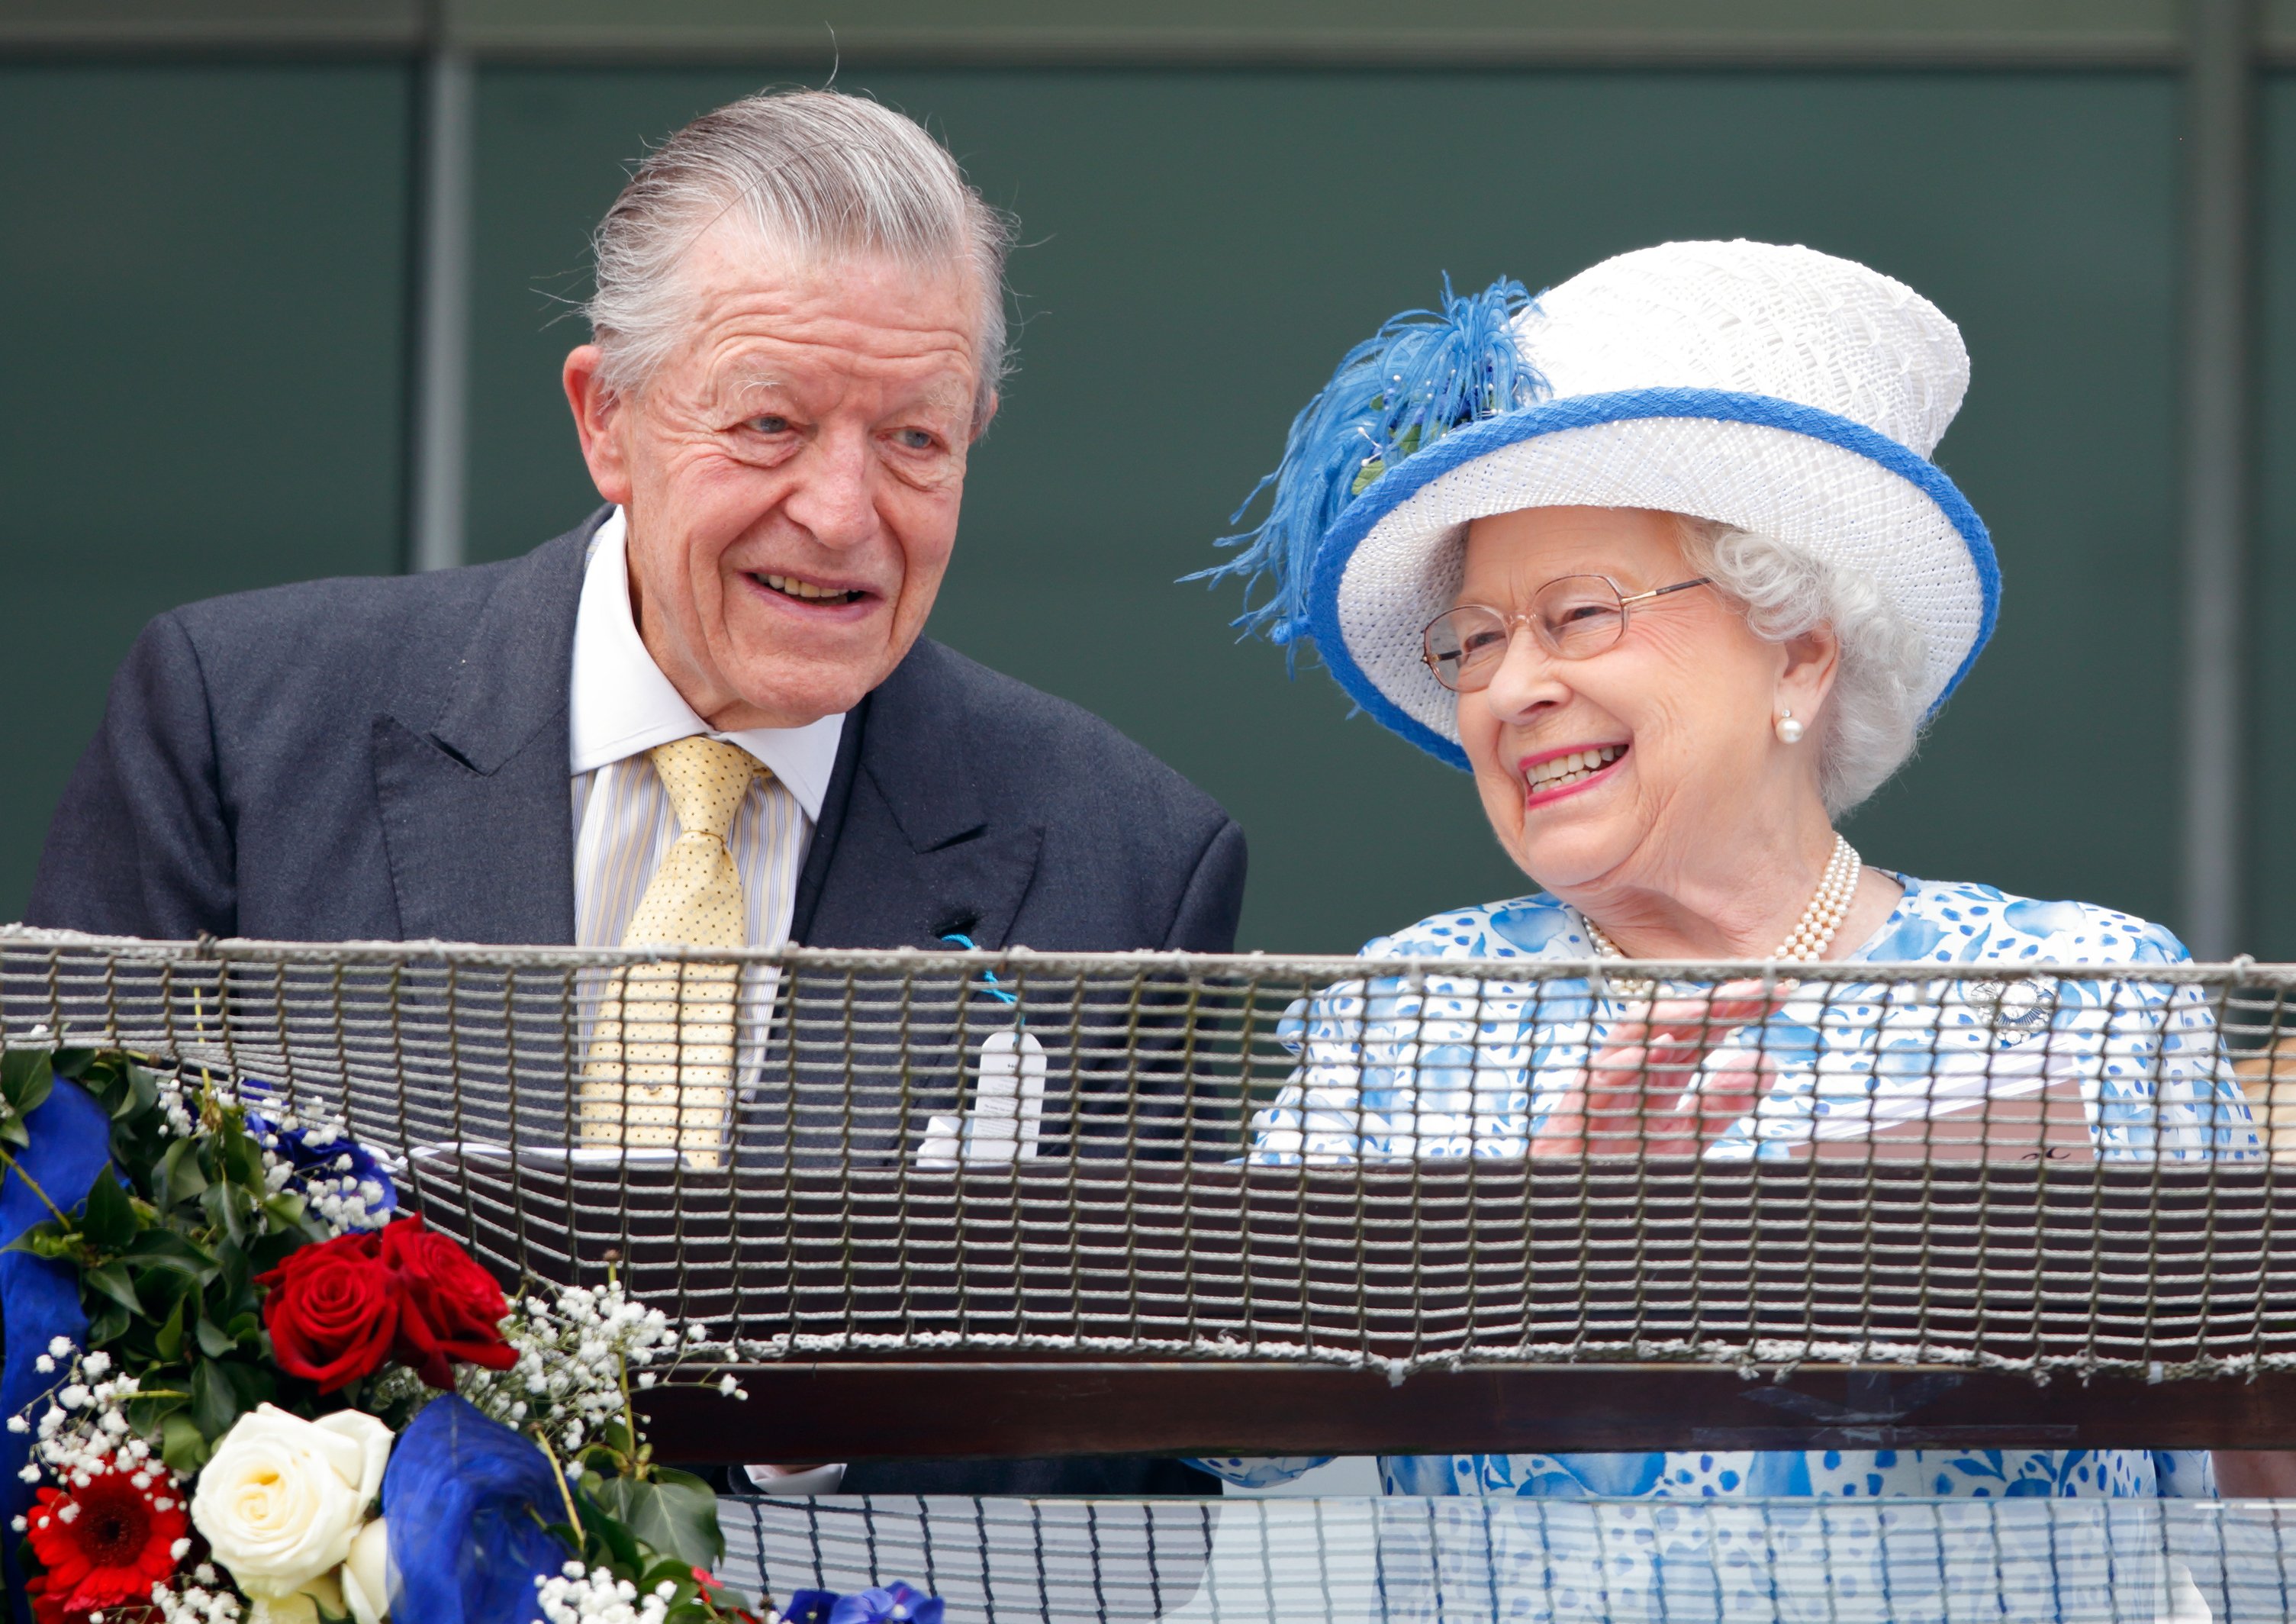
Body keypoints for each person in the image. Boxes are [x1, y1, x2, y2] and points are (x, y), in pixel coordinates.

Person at [25, 88, 1242, 1498]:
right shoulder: (240, 723)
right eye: (772, 423)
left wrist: (839, 1434)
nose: (844, 514)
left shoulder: (1130, 864)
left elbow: (1122, 1492)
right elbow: (67, 1288)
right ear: (608, 420)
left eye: (915, 439)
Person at [1190, 240, 2272, 1529]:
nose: (1512, 686)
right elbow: (1224, 1435)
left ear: (1800, 659)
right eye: (1475, 639)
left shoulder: (2082, 1000)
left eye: (1580, 614)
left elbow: (2261, 1478)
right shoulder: (1407, 1015)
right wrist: (1508, 1255)